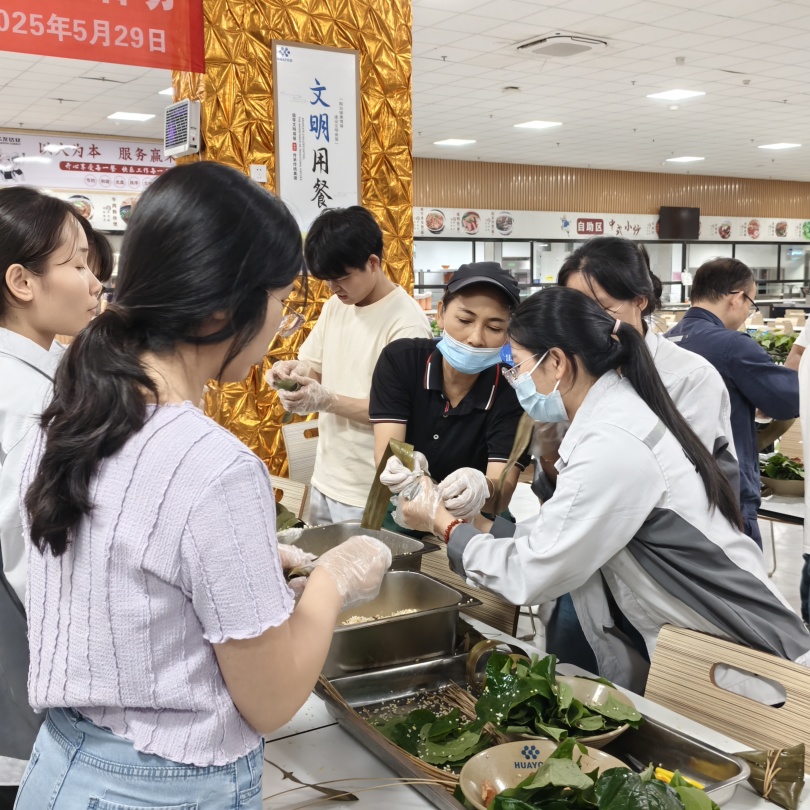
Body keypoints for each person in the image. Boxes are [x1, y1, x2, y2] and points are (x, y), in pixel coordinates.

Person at [15, 163, 391, 809]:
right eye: (280, 301)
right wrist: (334, 579)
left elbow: (120, 572)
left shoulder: (69, 413)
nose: (279, 322)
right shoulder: (214, 465)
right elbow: (271, 700)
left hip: (66, 766)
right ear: (224, 306)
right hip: (159, 787)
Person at [391, 286, 810, 694]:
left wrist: (441, 523)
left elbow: (530, 574)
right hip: (708, 648)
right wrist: (474, 518)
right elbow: (561, 530)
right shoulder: (611, 416)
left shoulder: (612, 442)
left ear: (556, 362)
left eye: (516, 366)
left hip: (749, 660)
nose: (515, 380)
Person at [548, 237, 739, 672]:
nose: (586, 323)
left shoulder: (690, 378)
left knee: (657, 693)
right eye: (575, 310)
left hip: (664, 578)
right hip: (585, 565)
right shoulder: (571, 371)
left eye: (602, 308)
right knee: (575, 682)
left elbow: (682, 492)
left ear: (640, 299)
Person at [0, 188, 103, 770]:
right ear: (22, 282)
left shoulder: (39, 376)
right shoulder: (26, 403)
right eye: (77, 264)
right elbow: (33, 565)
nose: (95, 283)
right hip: (29, 673)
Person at [268, 206, 431, 525]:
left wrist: (326, 400)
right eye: (327, 280)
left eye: (341, 278)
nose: (333, 288)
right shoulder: (336, 306)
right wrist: (295, 376)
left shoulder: (407, 325)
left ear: (373, 263)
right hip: (325, 478)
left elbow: (398, 413)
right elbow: (313, 365)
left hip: (371, 490)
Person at [370, 263, 529, 534]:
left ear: (508, 335)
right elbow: (388, 455)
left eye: (494, 327)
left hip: (475, 521)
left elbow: (501, 494)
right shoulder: (401, 360)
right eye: (465, 320)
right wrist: (401, 469)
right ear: (441, 313)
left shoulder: (513, 389)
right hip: (400, 510)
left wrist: (482, 487)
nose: (475, 338)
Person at [667, 258, 799, 548]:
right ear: (737, 298)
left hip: (675, 491)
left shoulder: (664, 342)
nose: (749, 311)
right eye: (751, 303)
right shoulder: (732, 345)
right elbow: (788, 401)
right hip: (727, 492)